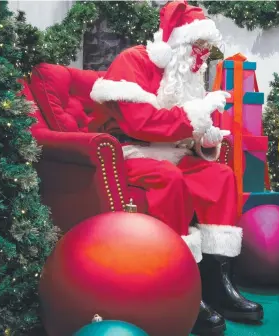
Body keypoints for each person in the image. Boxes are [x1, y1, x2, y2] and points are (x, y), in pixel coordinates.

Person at [88, 1, 263, 335]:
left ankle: (215, 284)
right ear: (179, 42)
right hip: (130, 150)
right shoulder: (133, 61)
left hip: (172, 150)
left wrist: (205, 134)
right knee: (167, 179)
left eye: (206, 50)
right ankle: (180, 287)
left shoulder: (186, 73)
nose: (201, 58)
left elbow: (184, 125)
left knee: (221, 176)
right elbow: (141, 124)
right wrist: (194, 118)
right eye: (197, 48)